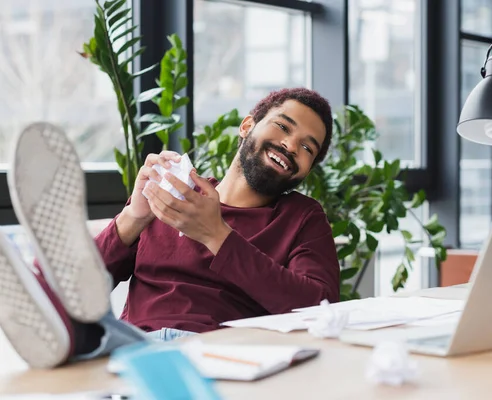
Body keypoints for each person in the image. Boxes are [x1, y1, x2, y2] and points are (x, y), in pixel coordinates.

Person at [0, 88, 340, 368]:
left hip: (221, 354)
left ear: (306, 169)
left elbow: (318, 304)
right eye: (283, 126)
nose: (291, 145)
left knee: (99, 341)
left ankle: (74, 336)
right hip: (136, 347)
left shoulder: (302, 218)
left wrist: (216, 235)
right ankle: (62, 316)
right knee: (88, 303)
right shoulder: (175, 194)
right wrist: (135, 216)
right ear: (247, 125)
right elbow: (89, 286)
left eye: (308, 147)